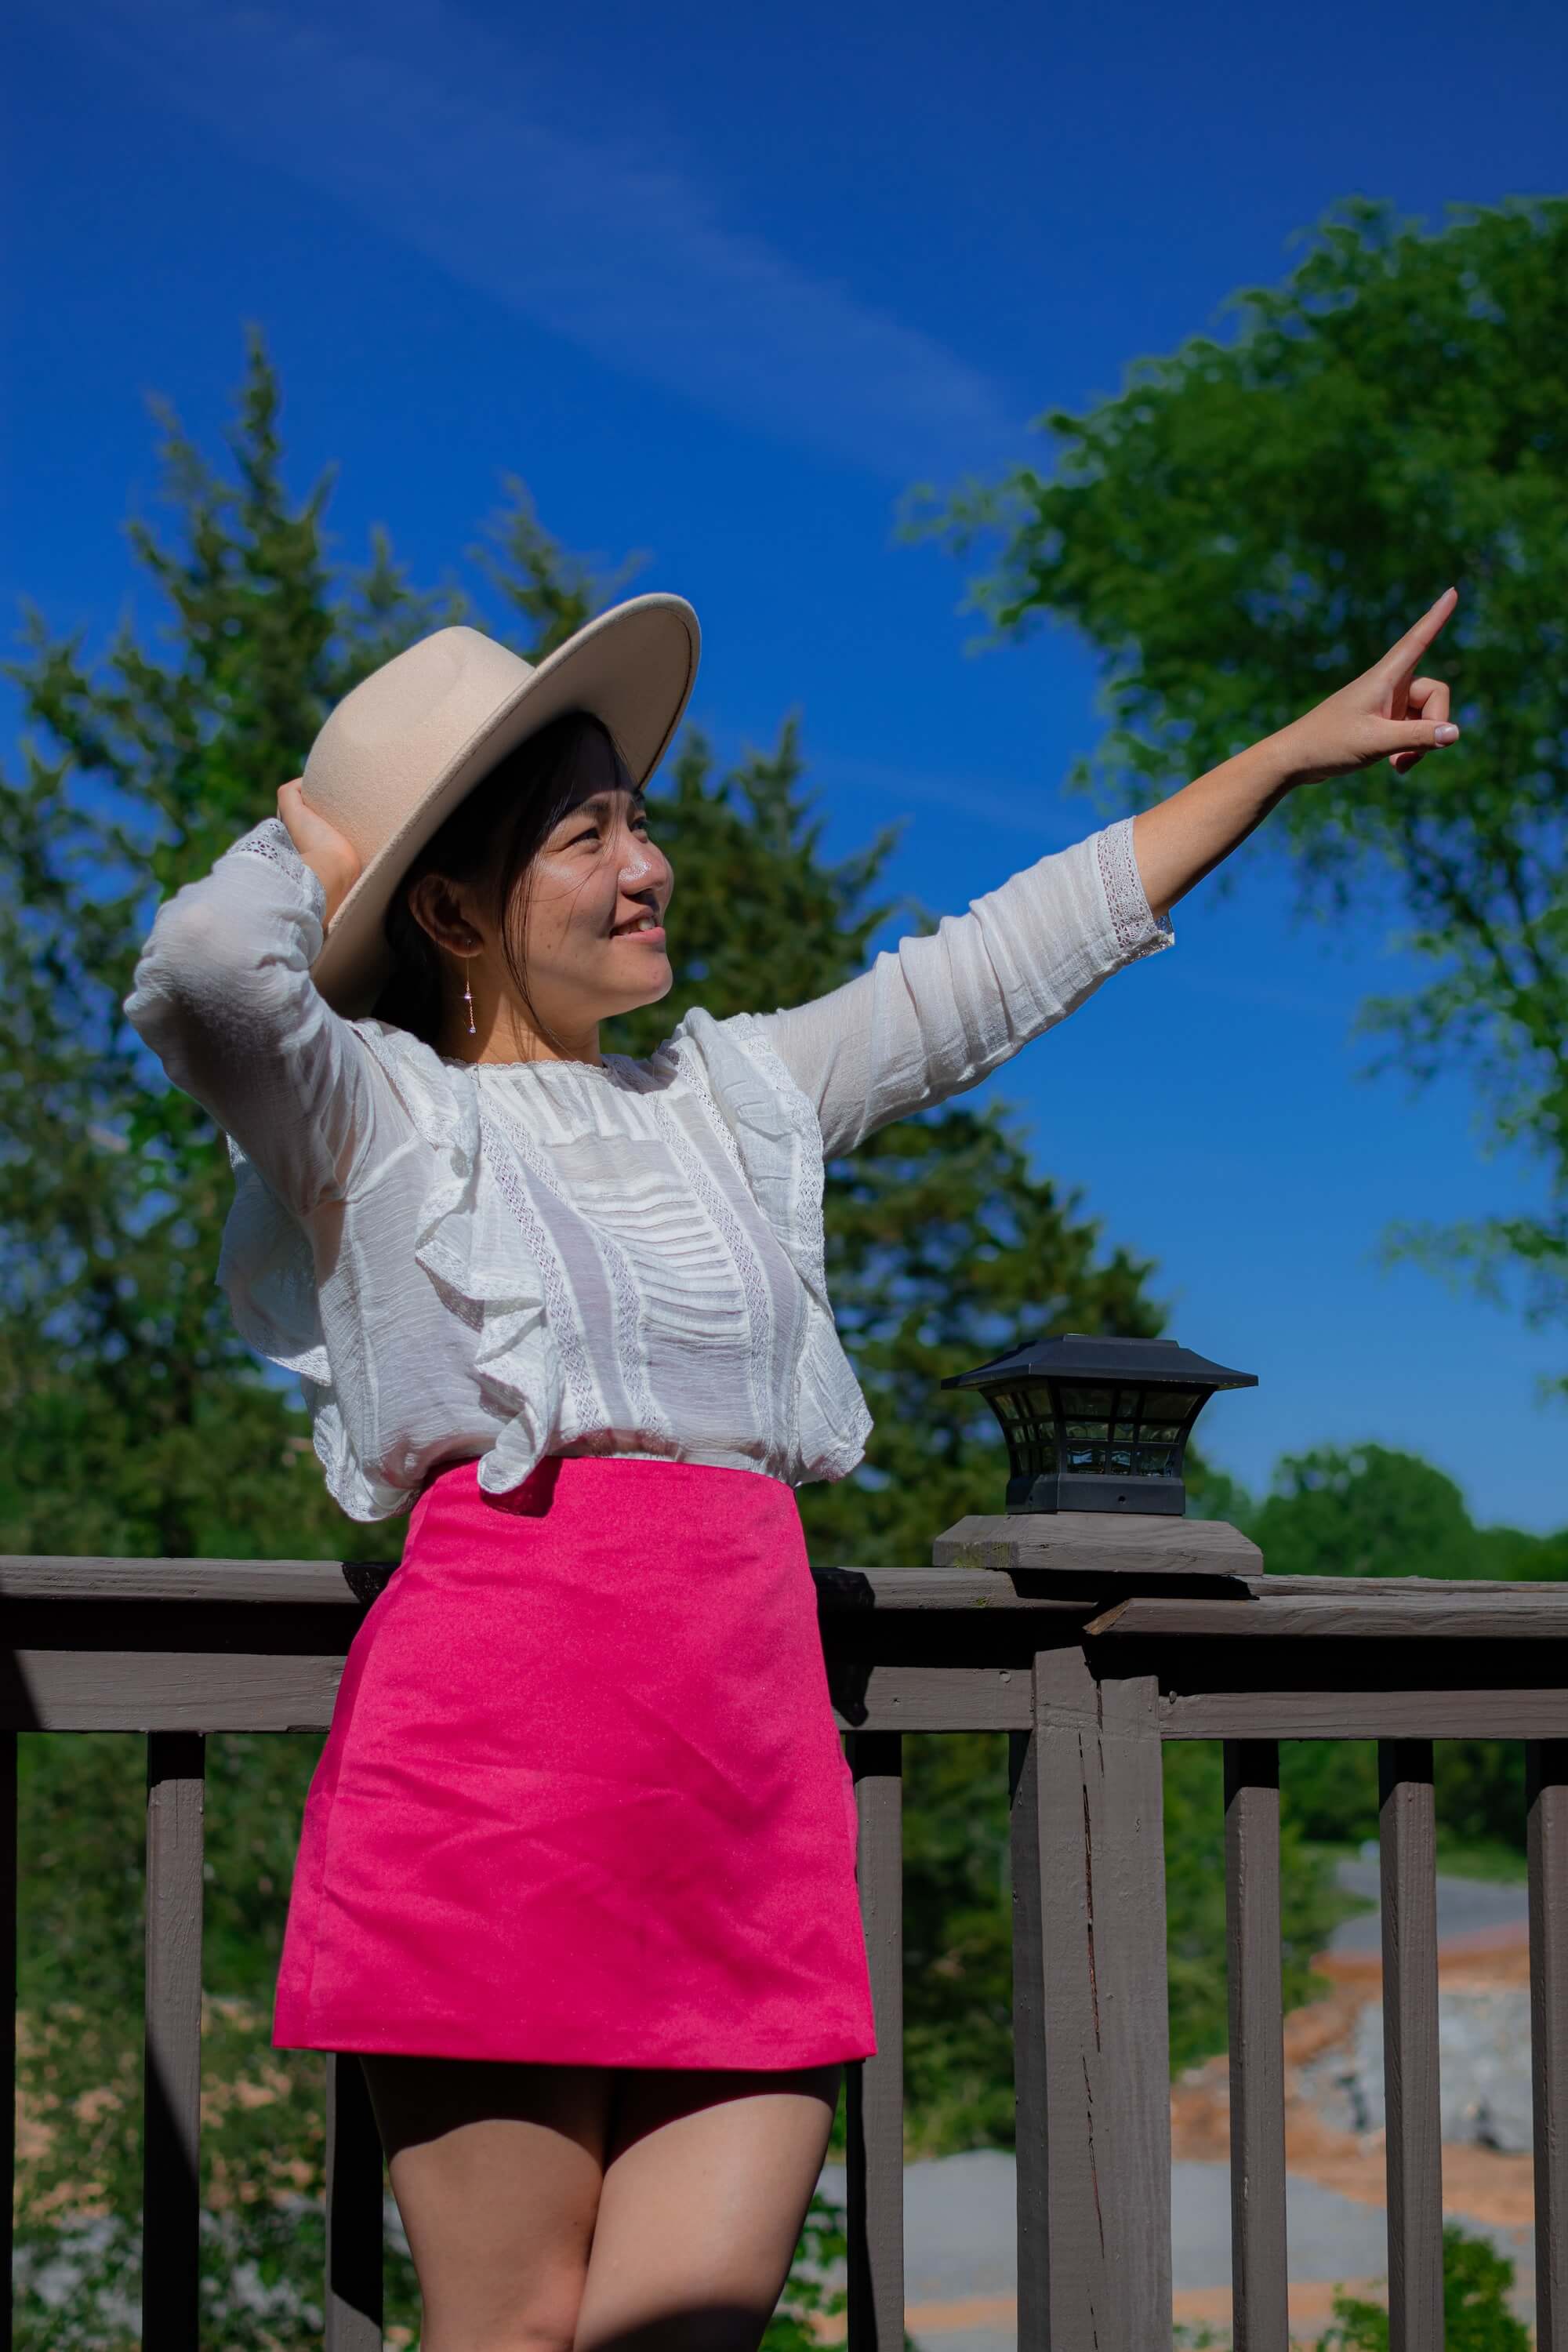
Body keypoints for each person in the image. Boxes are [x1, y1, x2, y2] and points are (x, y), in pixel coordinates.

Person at [124, 586, 1461, 2352]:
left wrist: (1281, 759)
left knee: (696, 2327)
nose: (647, 862)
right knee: (511, 2330)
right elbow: (205, 977)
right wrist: (313, 846)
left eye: (640, 818)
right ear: (448, 903)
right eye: (585, 833)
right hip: (491, 1777)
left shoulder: (737, 1096)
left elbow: (1002, 961)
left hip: (744, 1780)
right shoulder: (377, 1117)